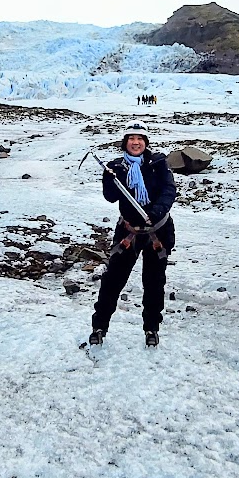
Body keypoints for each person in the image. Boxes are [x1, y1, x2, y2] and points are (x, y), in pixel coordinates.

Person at [89, 122, 176, 348]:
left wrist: (157, 211)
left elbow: (169, 191)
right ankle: (99, 327)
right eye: (131, 138)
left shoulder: (158, 164)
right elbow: (110, 197)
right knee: (112, 280)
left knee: (154, 282)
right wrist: (109, 179)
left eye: (140, 138)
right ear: (125, 141)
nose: (135, 142)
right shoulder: (117, 167)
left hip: (158, 231)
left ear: (145, 143)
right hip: (128, 231)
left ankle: (151, 329)